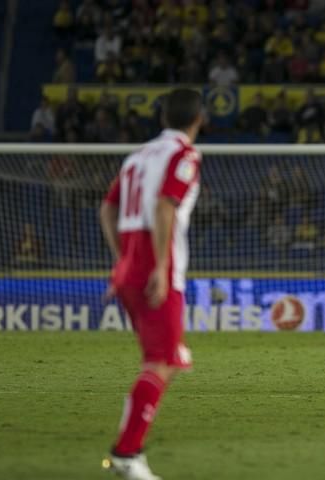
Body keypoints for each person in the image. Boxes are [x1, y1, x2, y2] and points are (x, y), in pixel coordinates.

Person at [99, 88, 205, 480]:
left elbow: (106, 208)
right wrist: (159, 267)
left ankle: (129, 445)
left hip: (130, 266)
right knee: (162, 362)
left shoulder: (137, 157)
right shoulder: (184, 155)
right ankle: (127, 452)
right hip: (155, 269)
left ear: (163, 118)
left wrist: (122, 260)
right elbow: (164, 206)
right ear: (199, 120)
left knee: (166, 361)